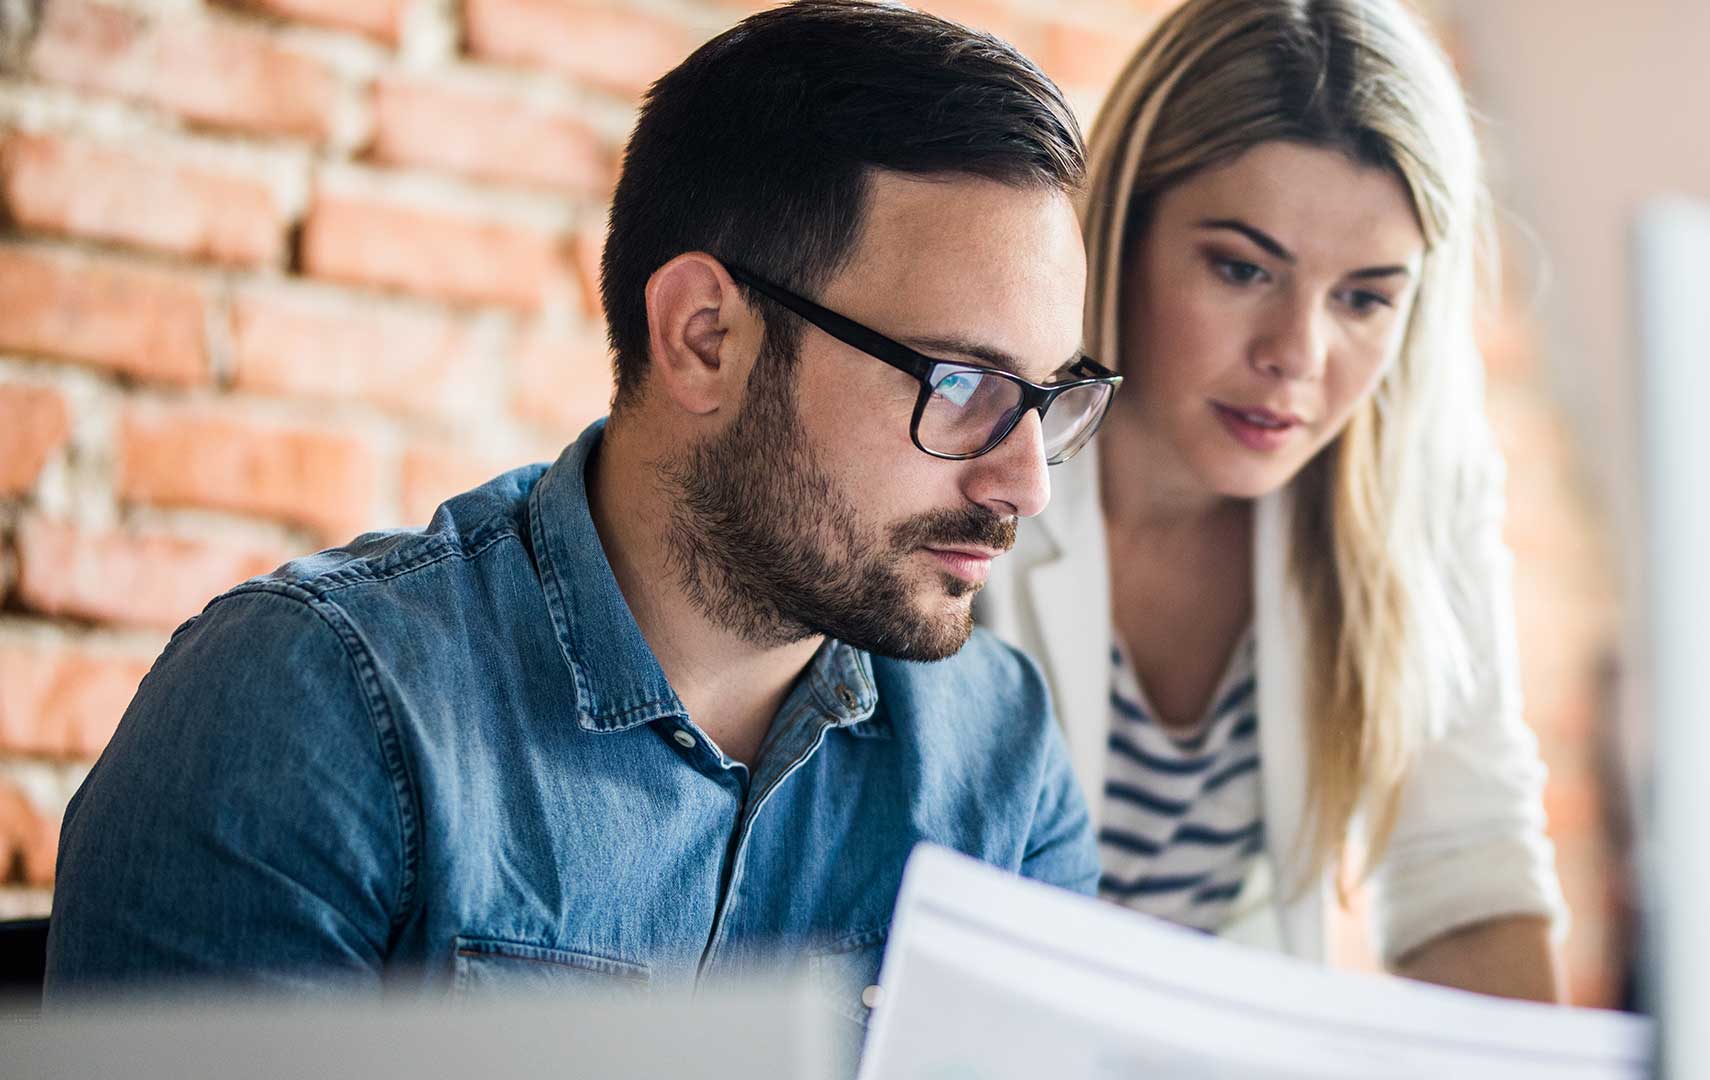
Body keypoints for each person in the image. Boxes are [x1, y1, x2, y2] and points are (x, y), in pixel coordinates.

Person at [47, 0, 1119, 1026]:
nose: (1027, 484)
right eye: (958, 384)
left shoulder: (998, 755)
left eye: (1047, 398)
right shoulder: (313, 712)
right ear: (705, 337)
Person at [977, 0, 1567, 1002]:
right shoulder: (979, 449)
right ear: (1124, 230)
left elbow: (1468, 874)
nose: (1296, 355)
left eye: (1365, 298)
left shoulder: (1419, 489)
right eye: (1242, 268)